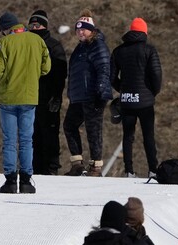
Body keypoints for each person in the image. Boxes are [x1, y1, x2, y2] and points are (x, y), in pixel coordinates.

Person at [0, 12, 51, 194]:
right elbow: (46, 68)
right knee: (26, 140)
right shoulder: (38, 41)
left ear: (7, 29)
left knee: (9, 140)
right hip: (29, 97)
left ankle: (10, 181)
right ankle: (26, 181)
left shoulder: (2, 43)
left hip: (8, 98)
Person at [110, 18, 162, 179]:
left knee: (127, 136)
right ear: (144, 32)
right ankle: (153, 169)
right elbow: (156, 75)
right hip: (145, 102)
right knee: (148, 136)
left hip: (126, 100)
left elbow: (111, 76)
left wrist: (122, 89)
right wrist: (152, 92)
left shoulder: (118, 51)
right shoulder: (149, 50)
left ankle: (129, 170)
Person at [63, 9, 112, 177]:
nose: (80, 32)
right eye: (78, 29)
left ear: (91, 30)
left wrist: (100, 89)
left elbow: (104, 68)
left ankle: (96, 167)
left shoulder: (97, 44)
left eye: (83, 29)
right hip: (79, 96)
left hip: (93, 95)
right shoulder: (80, 48)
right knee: (69, 125)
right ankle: (77, 164)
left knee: (93, 129)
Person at [27, 10, 67, 175]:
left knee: (50, 134)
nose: (35, 28)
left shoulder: (54, 45)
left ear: (45, 25)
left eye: (38, 25)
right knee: (32, 135)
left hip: (48, 97)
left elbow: (61, 72)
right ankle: (35, 167)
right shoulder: (27, 44)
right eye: (32, 25)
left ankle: (51, 168)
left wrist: (57, 96)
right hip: (29, 96)